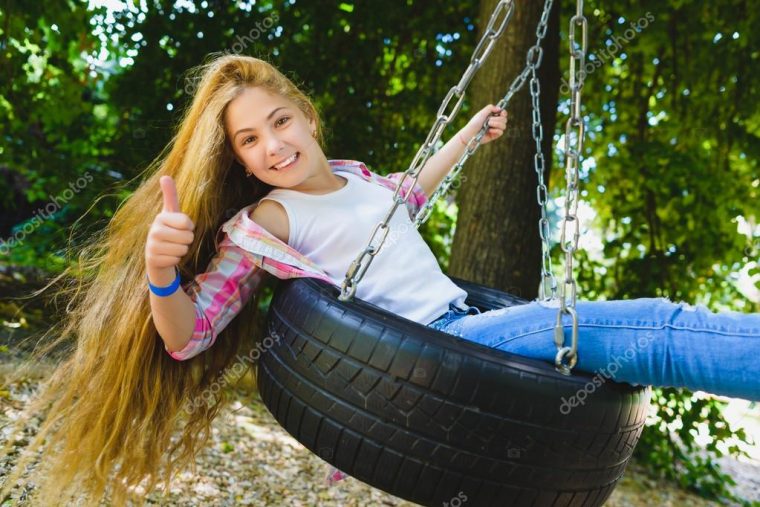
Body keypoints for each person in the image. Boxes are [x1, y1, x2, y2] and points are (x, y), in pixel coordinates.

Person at [1, 53, 756, 505]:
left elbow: (409, 197)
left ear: (308, 116)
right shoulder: (266, 223)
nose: (273, 145)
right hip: (441, 347)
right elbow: (187, 335)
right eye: (250, 140)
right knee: (647, 326)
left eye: (280, 122)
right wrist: (162, 273)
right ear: (239, 159)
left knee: (613, 344)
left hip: (472, 327)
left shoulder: (360, 179)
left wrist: (468, 133)